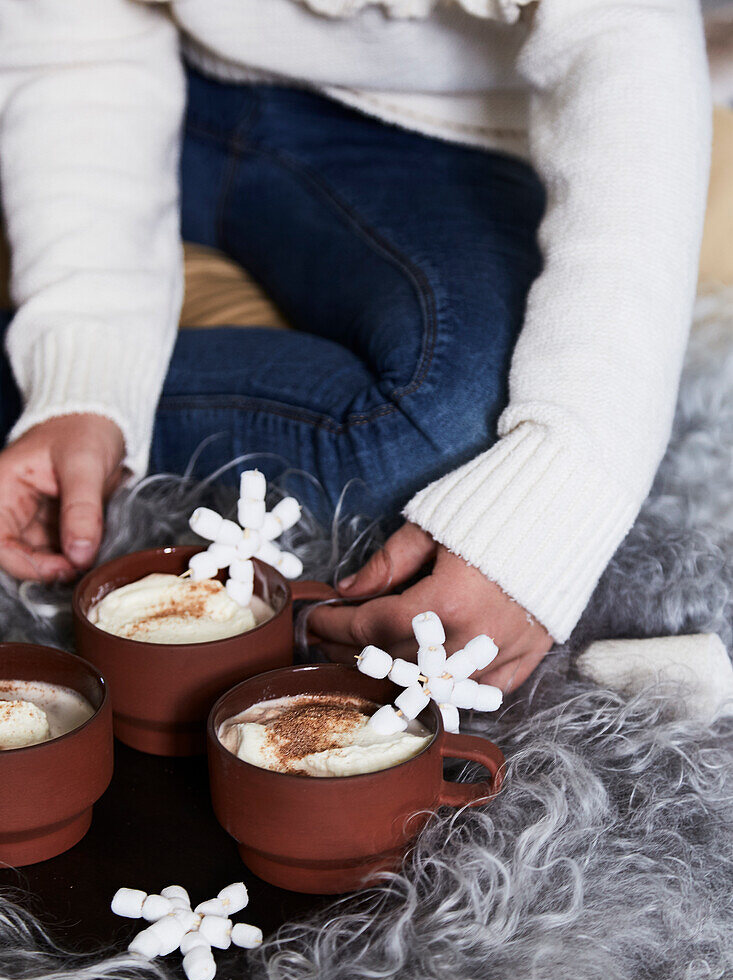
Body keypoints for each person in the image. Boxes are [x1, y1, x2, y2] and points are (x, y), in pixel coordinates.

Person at [0, 0, 710, 689]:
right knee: (432, 448)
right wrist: (76, 377)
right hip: (140, 91)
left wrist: (561, 495)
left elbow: (630, 42)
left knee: (466, 452)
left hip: (435, 129)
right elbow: (73, 52)